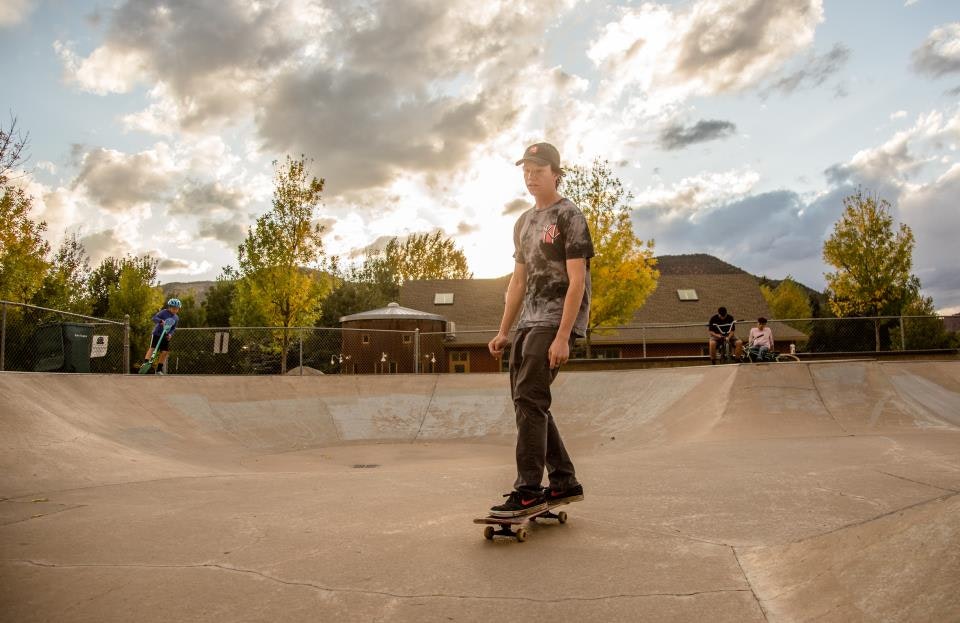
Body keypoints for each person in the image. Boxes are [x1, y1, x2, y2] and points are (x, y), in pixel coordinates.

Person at [487, 142, 594, 518]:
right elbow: (518, 282)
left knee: (530, 400)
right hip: (528, 321)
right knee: (526, 402)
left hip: (556, 320)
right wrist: (503, 330)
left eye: (538, 170)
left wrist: (564, 335)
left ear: (556, 173)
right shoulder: (523, 223)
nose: (531, 177)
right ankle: (563, 480)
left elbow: (577, 280)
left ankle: (528, 489)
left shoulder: (570, 216)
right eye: (526, 171)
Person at [142, 298, 181, 375]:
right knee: (153, 348)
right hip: (157, 334)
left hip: (165, 336)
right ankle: (145, 363)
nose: (175, 310)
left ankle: (159, 369)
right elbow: (154, 318)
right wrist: (160, 321)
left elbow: (173, 329)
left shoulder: (176, 318)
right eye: (173, 308)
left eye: (177, 309)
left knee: (165, 352)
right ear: (169, 307)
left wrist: (170, 334)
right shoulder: (164, 312)